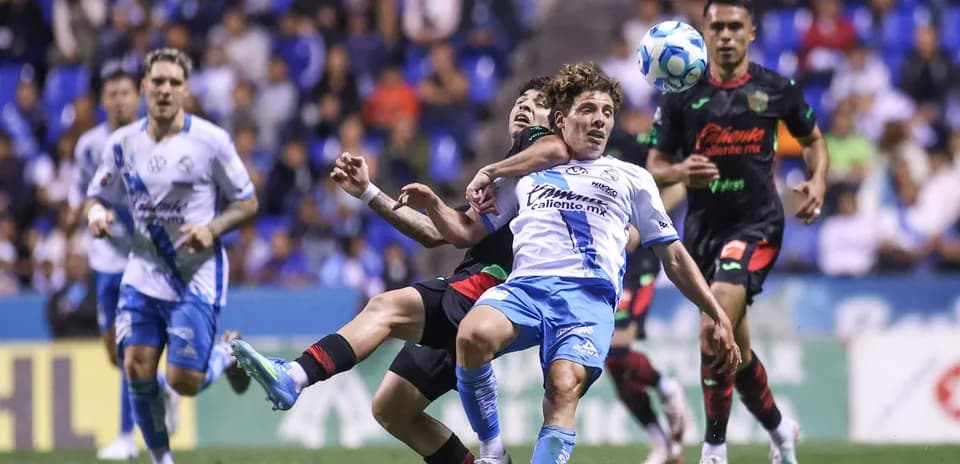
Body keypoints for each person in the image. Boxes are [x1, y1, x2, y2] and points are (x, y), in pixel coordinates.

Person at [398, 62, 740, 464]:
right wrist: (444, 200)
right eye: (588, 110)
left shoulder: (631, 178)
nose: (600, 120)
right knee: (472, 336)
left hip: (587, 300)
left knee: (562, 387)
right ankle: (493, 452)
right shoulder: (525, 176)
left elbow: (674, 255)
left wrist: (716, 312)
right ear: (561, 119)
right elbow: (466, 231)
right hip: (525, 289)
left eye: (607, 112)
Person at [230, 76, 559, 464]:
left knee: (384, 308)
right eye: (519, 100)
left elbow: (548, 151)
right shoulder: (512, 176)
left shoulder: (539, 153)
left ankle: (296, 376)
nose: (523, 106)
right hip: (477, 285)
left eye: (536, 103)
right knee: (392, 408)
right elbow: (440, 233)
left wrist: (487, 171)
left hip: (493, 288)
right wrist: (369, 193)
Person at [646, 2, 829, 463]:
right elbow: (655, 167)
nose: (725, 35)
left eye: (734, 26)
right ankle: (780, 429)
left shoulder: (776, 89)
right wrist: (684, 170)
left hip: (757, 225)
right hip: (703, 232)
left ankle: (714, 447)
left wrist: (818, 179)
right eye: (717, 26)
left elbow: (813, 140)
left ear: (751, 32)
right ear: (704, 33)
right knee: (733, 349)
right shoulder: (682, 94)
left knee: (712, 327)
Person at [84, 48, 256, 464]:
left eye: (173, 83)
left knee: (184, 382)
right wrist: (96, 213)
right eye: (157, 82)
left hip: (194, 276)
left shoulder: (211, 142)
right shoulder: (122, 144)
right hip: (142, 273)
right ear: (144, 87)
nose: (164, 90)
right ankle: (162, 459)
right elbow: (97, 192)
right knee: (136, 367)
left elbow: (247, 202)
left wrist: (212, 229)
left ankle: (228, 353)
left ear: (186, 90)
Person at [70, 61, 181, 461]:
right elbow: (81, 196)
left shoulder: (154, 140)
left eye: (125, 93)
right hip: (105, 259)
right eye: (111, 94)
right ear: (102, 100)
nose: (119, 101)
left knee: (131, 347)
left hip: (144, 258)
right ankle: (160, 391)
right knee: (115, 353)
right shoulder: (89, 146)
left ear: (137, 95)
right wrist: (91, 214)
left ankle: (125, 436)